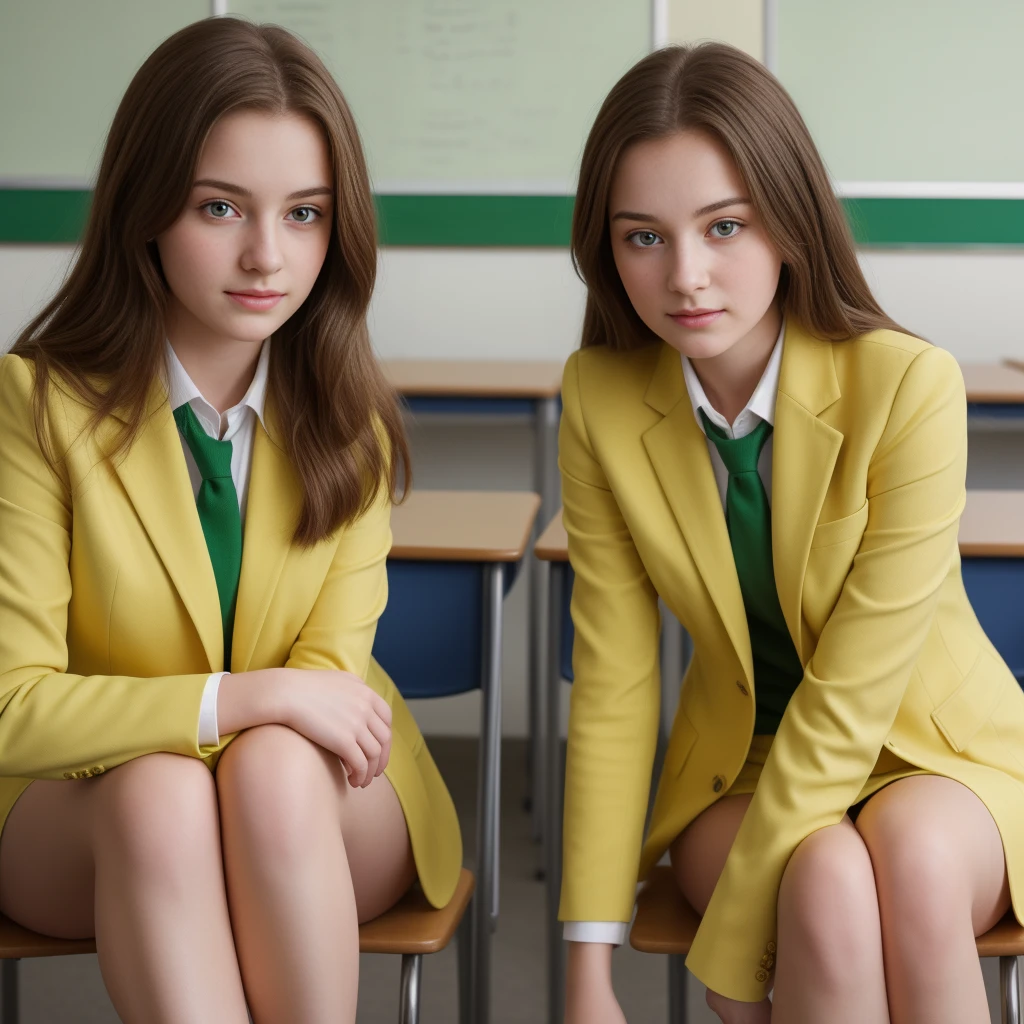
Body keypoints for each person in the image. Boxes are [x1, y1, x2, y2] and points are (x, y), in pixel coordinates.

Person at [0, 18, 461, 1023]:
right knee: (161, 793)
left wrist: (259, 718)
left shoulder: (350, 426)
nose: (267, 255)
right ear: (147, 208)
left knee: (272, 767)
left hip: (312, 798)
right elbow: (13, 708)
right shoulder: (34, 407)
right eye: (221, 207)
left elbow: (326, 702)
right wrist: (234, 700)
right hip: (82, 806)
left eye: (304, 213)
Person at [558, 42, 1024, 1024]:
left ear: (787, 220)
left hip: (936, 756)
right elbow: (613, 685)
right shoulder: (600, 398)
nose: (685, 275)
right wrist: (585, 964)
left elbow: (857, 694)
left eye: (723, 226)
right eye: (642, 237)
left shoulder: (906, 385)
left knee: (916, 862)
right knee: (823, 878)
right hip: (745, 764)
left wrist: (727, 954)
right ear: (607, 248)